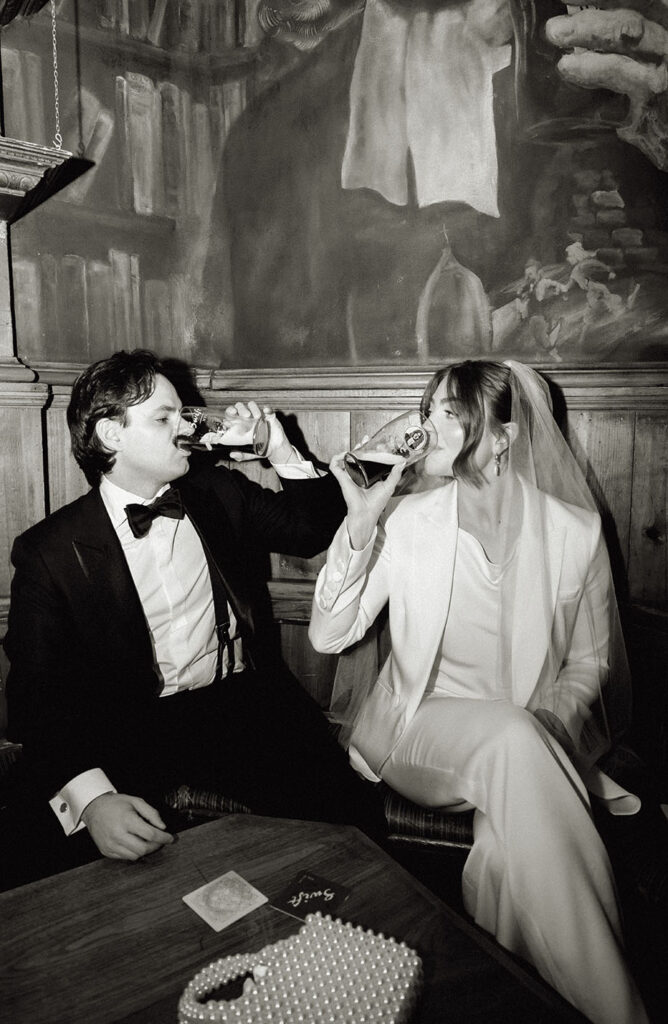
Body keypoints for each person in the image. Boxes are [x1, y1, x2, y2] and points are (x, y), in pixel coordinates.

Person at [309, 358, 649, 1024]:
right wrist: (358, 530)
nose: (426, 424)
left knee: (505, 841)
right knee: (512, 742)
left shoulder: (573, 533)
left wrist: (549, 722)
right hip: (418, 733)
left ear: (504, 436)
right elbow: (328, 634)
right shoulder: (406, 522)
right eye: (428, 406)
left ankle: (514, 995)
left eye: (449, 411)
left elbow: (589, 662)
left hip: (523, 746)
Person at [1, 349, 384, 890]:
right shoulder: (50, 552)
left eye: (182, 413)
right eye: (163, 417)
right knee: (31, 849)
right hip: (125, 721)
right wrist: (92, 800)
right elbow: (36, 701)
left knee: (348, 818)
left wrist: (279, 447)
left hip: (237, 701)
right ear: (111, 435)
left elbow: (311, 528)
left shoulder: (218, 493)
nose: (183, 427)